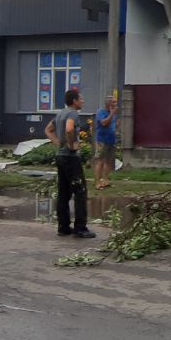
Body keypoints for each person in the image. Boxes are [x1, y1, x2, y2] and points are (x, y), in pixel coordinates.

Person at [45, 88, 95, 238]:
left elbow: (48, 129)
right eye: (81, 99)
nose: (83, 101)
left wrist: (57, 143)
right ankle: (80, 228)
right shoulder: (73, 113)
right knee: (80, 191)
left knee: (64, 193)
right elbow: (69, 129)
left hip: (60, 156)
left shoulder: (61, 113)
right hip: (70, 157)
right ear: (74, 101)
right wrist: (72, 144)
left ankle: (63, 227)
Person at [92, 94, 118, 190]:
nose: (116, 104)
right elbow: (104, 123)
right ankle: (98, 182)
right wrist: (111, 114)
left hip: (111, 139)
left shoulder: (114, 113)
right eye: (114, 102)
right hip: (102, 140)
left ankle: (105, 180)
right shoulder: (101, 112)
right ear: (108, 103)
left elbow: (113, 124)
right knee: (100, 161)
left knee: (109, 161)